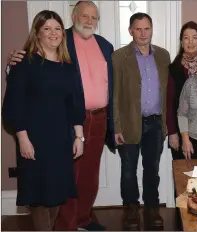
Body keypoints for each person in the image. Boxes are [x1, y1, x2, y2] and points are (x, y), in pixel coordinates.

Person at [6, 1, 115, 230]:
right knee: (54, 183)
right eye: (84, 16)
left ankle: (83, 220)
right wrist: (11, 64)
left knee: (87, 176)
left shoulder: (105, 46)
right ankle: (66, 226)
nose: (89, 21)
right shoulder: (60, 40)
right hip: (54, 127)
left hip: (94, 120)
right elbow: (17, 95)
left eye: (93, 17)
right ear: (73, 16)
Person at [2, 10, 85, 231]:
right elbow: (13, 104)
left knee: (56, 195)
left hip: (60, 141)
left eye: (57, 28)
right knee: (39, 198)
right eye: (46, 28)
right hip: (34, 140)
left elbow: (75, 103)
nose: (53, 33)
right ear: (37, 33)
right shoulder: (24, 63)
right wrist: (22, 138)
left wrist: (79, 136)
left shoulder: (67, 66)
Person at [112, 12, 170, 230]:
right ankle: (131, 210)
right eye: (138, 29)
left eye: (147, 28)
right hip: (128, 124)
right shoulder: (119, 57)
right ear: (130, 31)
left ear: (152, 30)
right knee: (128, 171)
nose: (143, 33)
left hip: (155, 124)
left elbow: (167, 92)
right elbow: (114, 96)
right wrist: (116, 126)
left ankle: (152, 208)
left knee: (152, 169)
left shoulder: (163, 56)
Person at [167, 21, 197, 160]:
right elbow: (169, 103)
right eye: (186, 38)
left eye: (194, 37)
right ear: (182, 42)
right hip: (179, 131)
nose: (190, 42)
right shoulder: (173, 69)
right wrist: (172, 133)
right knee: (182, 175)